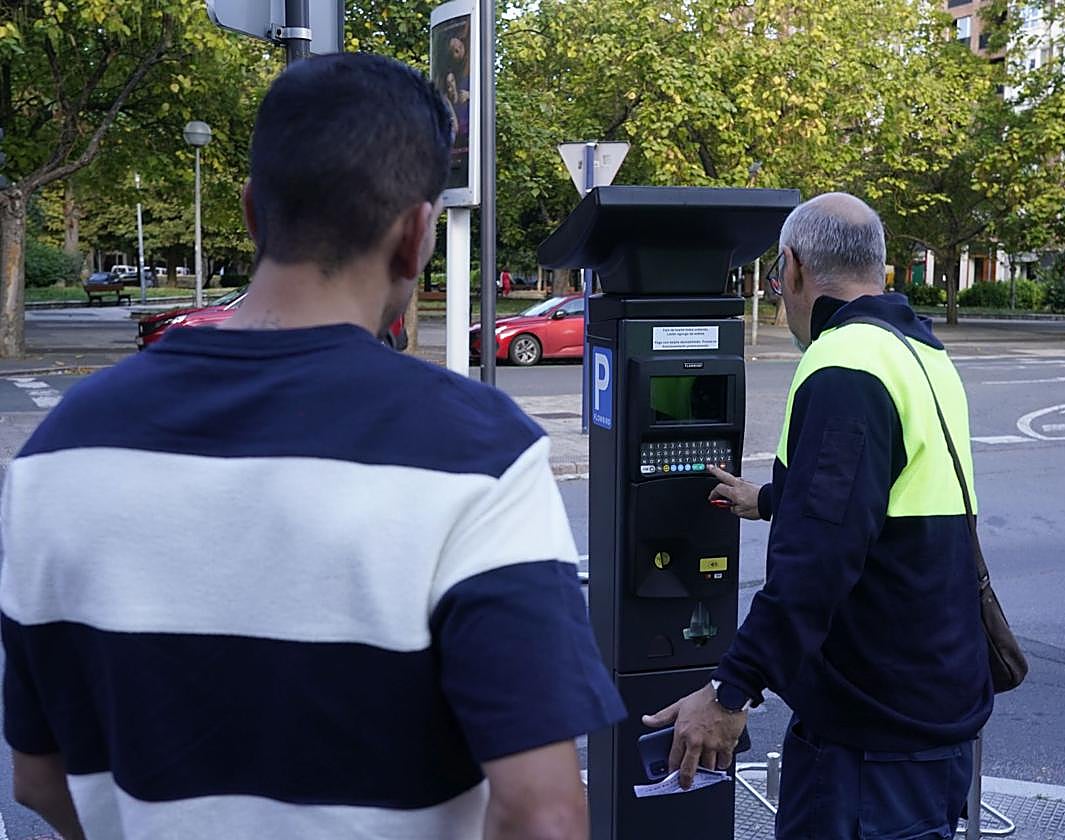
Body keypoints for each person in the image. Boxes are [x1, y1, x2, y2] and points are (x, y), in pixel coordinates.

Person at [0, 53, 623, 840]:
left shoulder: (57, 452)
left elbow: (37, 777)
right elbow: (543, 814)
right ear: (416, 235)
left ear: (255, 213)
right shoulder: (479, 456)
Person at [643, 193, 993, 839]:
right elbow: (883, 501)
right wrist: (772, 498)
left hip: (871, 743)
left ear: (794, 268)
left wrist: (731, 691)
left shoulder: (844, 364)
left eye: (778, 282)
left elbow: (821, 560)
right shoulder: (920, 355)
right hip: (931, 716)